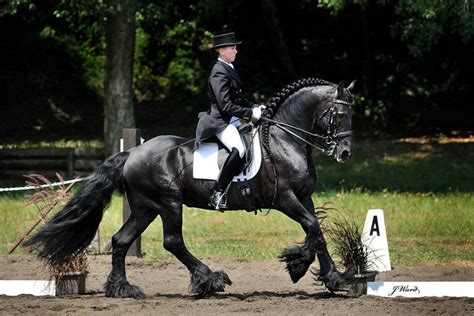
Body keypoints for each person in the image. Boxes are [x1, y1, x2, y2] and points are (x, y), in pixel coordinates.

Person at [194, 32, 264, 210]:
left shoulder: (229, 67)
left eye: (235, 47)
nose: (236, 51)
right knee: (239, 150)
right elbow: (225, 105)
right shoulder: (218, 71)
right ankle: (217, 193)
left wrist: (256, 107)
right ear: (221, 50)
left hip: (231, 119)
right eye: (232, 48)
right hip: (220, 121)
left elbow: (238, 99)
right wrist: (249, 113)